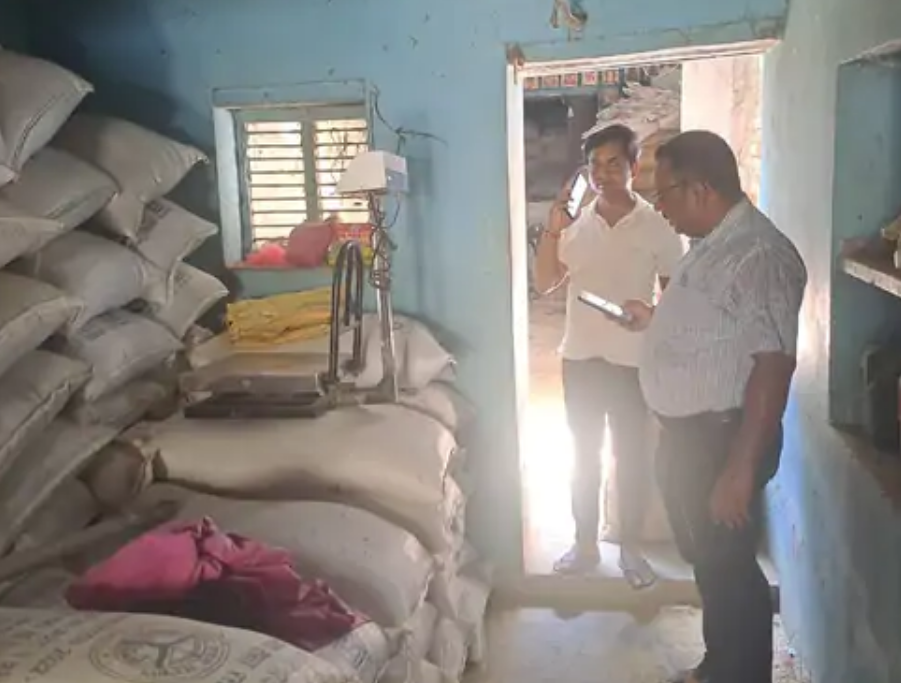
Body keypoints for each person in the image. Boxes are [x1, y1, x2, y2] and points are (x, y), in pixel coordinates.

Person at [618, 130, 807, 683]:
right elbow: (716, 327)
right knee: (709, 561)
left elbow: (773, 365)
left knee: (728, 570)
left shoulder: (759, 255)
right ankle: (719, 664)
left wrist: (739, 470)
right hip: (691, 439)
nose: (660, 207)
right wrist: (655, 322)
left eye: (664, 194)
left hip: (723, 441)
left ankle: (738, 674)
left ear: (699, 189)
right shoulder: (711, 243)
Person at [534, 124, 684, 584]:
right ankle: (584, 545)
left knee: (631, 458)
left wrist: (651, 314)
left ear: (634, 166)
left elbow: (677, 298)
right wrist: (553, 230)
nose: (602, 174)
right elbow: (545, 283)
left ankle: (632, 551)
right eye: (594, 165)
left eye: (614, 163)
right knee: (584, 457)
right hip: (580, 358)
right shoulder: (576, 226)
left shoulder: (658, 226)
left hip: (632, 362)